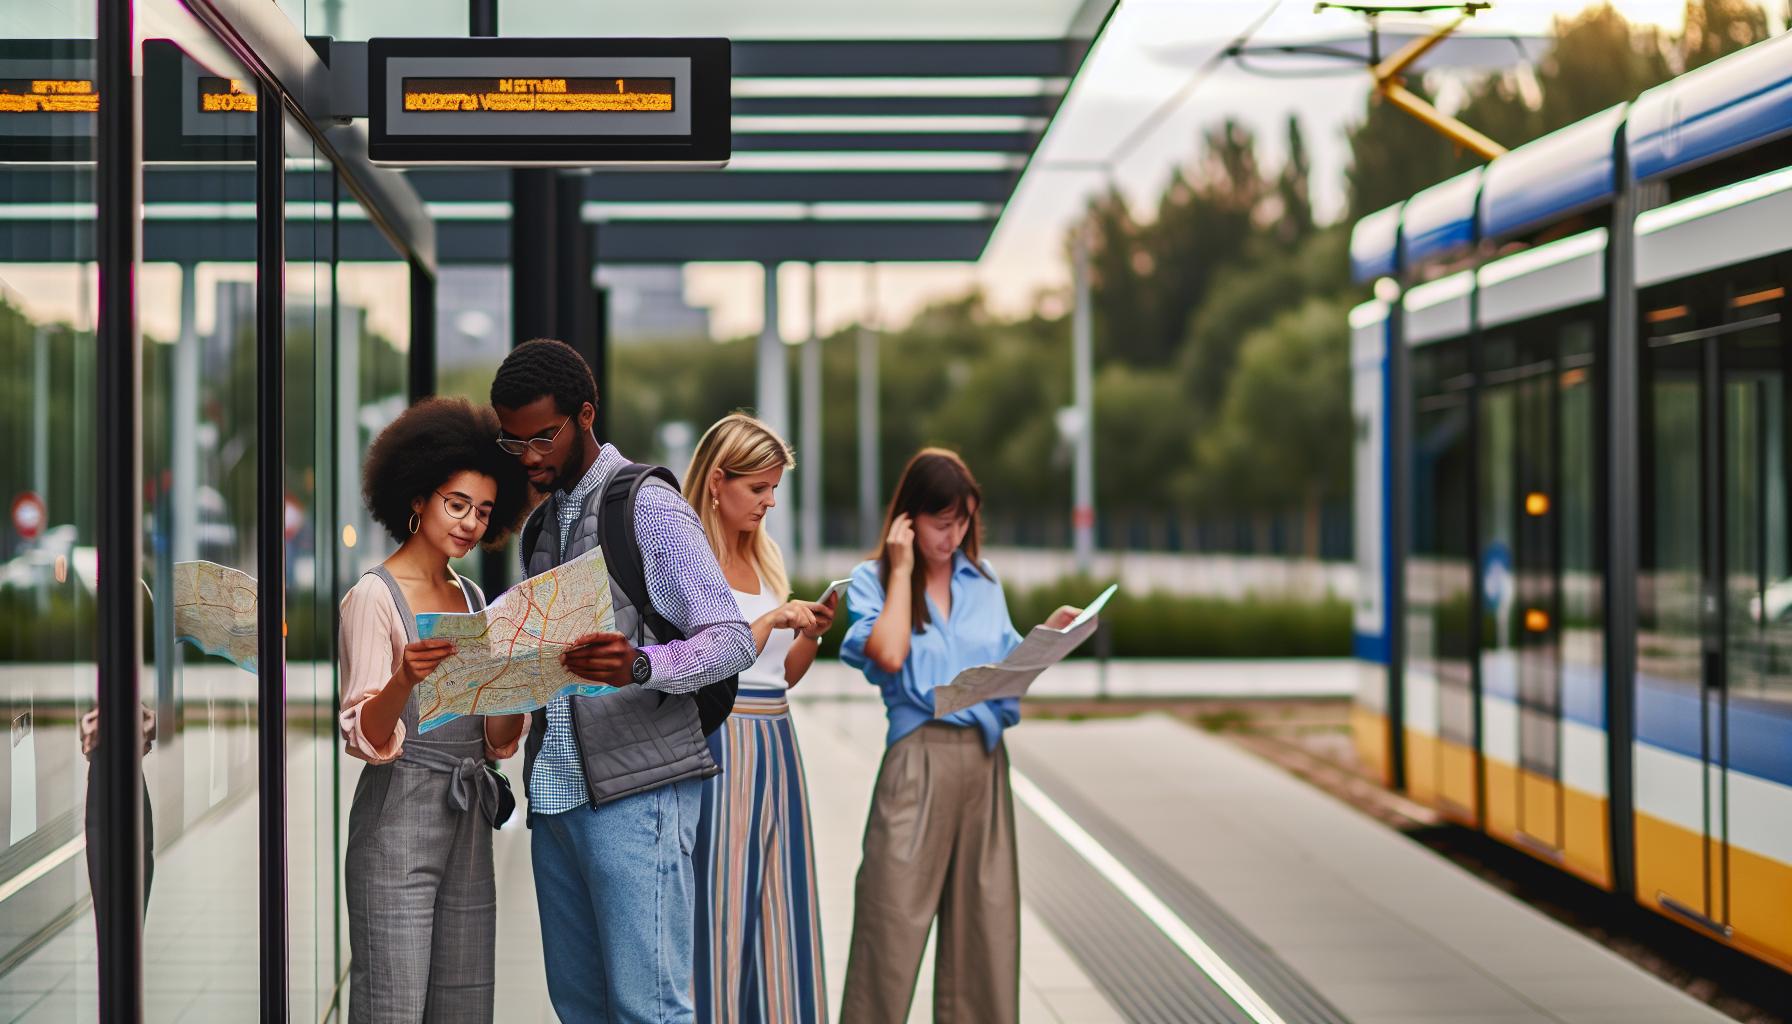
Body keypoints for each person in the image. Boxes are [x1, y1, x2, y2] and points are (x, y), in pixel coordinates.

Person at [489, 339, 756, 1024]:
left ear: (585, 414)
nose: (532, 458)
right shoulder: (543, 524)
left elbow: (729, 639)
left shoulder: (648, 507)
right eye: (514, 444)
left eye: (543, 437)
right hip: (555, 798)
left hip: (640, 797)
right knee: (580, 1009)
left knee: (650, 1010)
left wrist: (640, 664)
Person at [837, 448, 1078, 1024]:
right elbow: (890, 652)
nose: (954, 535)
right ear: (908, 520)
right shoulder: (872, 582)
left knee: (985, 936)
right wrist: (899, 569)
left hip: (985, 765)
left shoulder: (983, 581)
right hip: (917, 763)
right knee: (888, 928)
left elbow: (1006, 666)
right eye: (941, 523)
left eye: (963, 522)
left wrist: (1048, 638)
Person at [338, 396, 532, 1024]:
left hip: (468, 813)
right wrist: (403, 676)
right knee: (391, 1002)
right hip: (397, 813)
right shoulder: (374, 596)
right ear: (417, 498)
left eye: (483, 511)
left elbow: (498, 740)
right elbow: (364, 735)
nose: (471, 523)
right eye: (456, 504)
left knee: (464, 1001)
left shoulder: (475, 596)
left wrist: (521, 684)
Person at [683, 413, 832, 1024]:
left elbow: (783, 674)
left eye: (774, 489)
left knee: (779, 900)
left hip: (776, 736)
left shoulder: (764, 556)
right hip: (723, 739)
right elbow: (697, 662)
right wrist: (770, 622)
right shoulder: (688, 557)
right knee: (720, 902)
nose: (769, 502)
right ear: (717, 482)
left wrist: (812, 635)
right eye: (758, 488)